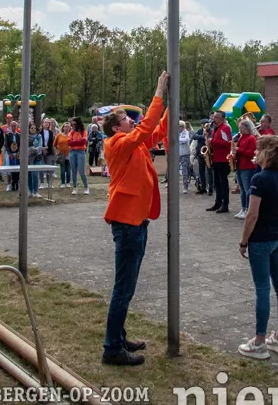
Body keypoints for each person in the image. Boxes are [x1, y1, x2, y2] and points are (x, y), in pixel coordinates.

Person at [101, 71, 169, 366]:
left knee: (127, 287)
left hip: (137, 222)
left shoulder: (134, 142)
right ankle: (112, 348)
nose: (132, 120)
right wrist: (158, 93)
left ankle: (118, 337)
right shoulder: (117, 143)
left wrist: (170, 105)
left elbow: (157, 131)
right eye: (127, 119)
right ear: (116, 127)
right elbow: (146, 128)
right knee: (123, 287)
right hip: (127, 224)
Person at [237, 135, 278, 360]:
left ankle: (259, 342)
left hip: (261, 239)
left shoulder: (259, 179)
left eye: (258, 151)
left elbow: (252, 214)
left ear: (266, 154)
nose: (255, 154)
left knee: (262, 289)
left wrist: (243, 241)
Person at [206, 111, 232, 214]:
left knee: (223, 183)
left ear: (222, 118)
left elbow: (227, 143)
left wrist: (212, 141)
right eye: (214, 117)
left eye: (216, 117)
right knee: (217, 183)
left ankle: (225, 204)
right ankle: (218, 202)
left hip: (222, 159)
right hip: (216, 159)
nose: (214, 119)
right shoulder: (214, 129)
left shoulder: (225, 128)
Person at [234, 119, 257, 219]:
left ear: (247, 128)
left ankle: (248, 209)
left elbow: (252, 153)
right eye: (239, 128)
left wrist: (239, 150)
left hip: (247, 166)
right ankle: (243, 208)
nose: (240, 130)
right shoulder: (241, 137)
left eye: (242, 128)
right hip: (239, 165)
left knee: (247, 189)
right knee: (242, 190)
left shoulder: (251, 138)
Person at [68, 118, 89, 196]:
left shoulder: (83, 132)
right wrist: (77, 142)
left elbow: (83, 142)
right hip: (72, 152)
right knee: (73, 171)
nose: (73, 126)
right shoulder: (71, 132)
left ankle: (86, 187)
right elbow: (69, 143)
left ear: (78, 124)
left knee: (81, 171)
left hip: (81, 152)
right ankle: (75, 187)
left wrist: (74, 142)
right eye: (72, 124)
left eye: (75, 124)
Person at [54, 123, 71, 187]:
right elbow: (54, 144)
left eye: (68, 127)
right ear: (63, 128)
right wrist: (57, 151)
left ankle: (68, 182)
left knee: (68, 170)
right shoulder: (59, 135)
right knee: (62, 169)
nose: (66, 128)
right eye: (65, 127)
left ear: (70, 128)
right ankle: (63, 183)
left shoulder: (71, 135)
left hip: (69, 155)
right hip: (61, 155)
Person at [28, 124, 42, 198]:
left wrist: (31, 150)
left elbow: (39, 147)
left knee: (35, 175)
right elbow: (24, 146)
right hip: (28, 158)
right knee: (29, 175)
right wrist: (29, 150)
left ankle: (36, 192)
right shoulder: (26, 136)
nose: (33, 129)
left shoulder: (39, 136)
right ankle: (30, 191)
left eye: (34, 128)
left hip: (37, 158)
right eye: (31, 128)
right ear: (29, 129)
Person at [39, 118, 54, 189]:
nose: (46, 124)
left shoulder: (51, 132)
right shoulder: (40, 132)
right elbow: (39, 141)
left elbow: (51, 142)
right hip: (41, 151)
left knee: (49, 168)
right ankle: (42, 183)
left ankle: (49, 183)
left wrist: (46, 148)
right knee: (41, 168)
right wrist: (43, 149)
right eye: (45, 122)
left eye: (48, 122)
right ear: (42, 123)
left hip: (49, 151)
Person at [5, 123, 20, 192]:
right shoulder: (7, 135)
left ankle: (17, 183)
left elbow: (20, 144)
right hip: (10, 154)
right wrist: (10, 153)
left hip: (17, 154)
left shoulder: (18, 135)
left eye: (15, 126)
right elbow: (6, 145)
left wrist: (18, 152)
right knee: (9, 169)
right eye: (12, 126)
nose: (13, 127)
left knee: (17, 169)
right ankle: (9, 184)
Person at [178, 121, 191, 194]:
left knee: (184, 170)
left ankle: (185, 187)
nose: (179, 128)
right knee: (173, 170)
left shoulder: (186, 132)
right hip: (177, 153)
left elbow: (186, 140)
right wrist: (180, 141)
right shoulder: (176, 132)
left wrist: (179, 140)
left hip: (185, 154)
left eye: (180, 127)